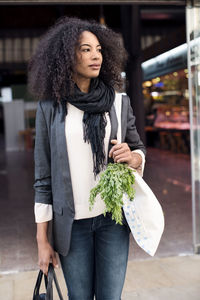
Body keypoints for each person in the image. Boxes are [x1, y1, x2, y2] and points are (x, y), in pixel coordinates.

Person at [28, 16, 146, 300]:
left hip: (113, 220)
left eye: (99, 49)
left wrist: (133, 157)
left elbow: (138, 148)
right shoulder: (49, 109)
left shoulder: (118, 102)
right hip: (72, 225)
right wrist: (42, 240)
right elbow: (43, 178)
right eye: (85, 49)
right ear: (67, 56)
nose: (96, 56)